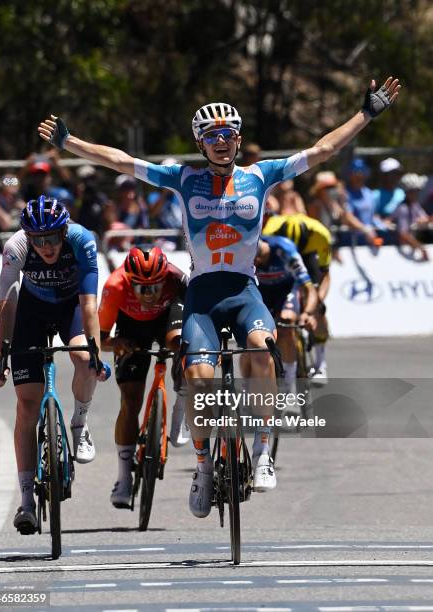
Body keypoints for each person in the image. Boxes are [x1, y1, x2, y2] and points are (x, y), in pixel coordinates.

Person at [38, 74, 401, 518]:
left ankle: (264, 452)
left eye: (228, 134)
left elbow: (323, 150)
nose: (222, 142)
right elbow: (121, 161)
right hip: (203, 295)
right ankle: (206, 467)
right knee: (201, 379)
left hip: (244, 289)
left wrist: (366, 113)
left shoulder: (261, 175)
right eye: (212, 136)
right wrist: (69, 141)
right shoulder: (182, 178)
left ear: (239, 139)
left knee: (263, 352)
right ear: (200, 142)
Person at [0, 196, 110, 535]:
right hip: (31, 310)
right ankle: (27, 500)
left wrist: (96, 353)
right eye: (37, 240)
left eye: (52, 238)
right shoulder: (16, 247)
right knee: (27, 405)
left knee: (84, 360)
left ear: (64, 230)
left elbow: (89, 306)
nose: (45, 247)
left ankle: (79, 422)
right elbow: (8, 308)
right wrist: (1, 359)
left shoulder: (82, 239)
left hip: (70, 306)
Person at [98, 246, 189, 508]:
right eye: (141, 289)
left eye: (154, 288)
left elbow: (200, 311)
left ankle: (179, 405)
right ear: (129, 282)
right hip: (131, 327)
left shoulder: (176, 278)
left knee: (181, 342)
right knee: (130, 401)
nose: (148, 295)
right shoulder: (115, 285)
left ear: (164, 279)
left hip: (167, 318)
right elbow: (100, 339)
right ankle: (124, 476)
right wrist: (117, 344)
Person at [263, 213, 332, 385]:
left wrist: (317, 303)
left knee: (319, 309)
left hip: (309, 257)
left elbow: (325, 275)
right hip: (284, 259)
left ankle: (320, 363)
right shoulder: (271, 230)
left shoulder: (321, 234)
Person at [247, 236, 318, 402]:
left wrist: (307, 313)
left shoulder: (285, 251)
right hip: (261, 293)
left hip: (286, 292)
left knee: (286, 323)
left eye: (256, 262)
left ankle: (289, 389)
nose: (256, 265)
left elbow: (308, 288)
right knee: (251, 336)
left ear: (258, 256)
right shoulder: (245, 253)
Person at [308, 170, 377, 253]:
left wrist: (342, 202)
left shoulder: (336, 205)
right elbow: (315, 230)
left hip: (334, 247)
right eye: (327, 187)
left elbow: (347, 218)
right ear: (320, 191)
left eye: (333, 187)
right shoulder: (315, 206)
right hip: (320, 249)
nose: (331, 190)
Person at [393, 173, 430, 261]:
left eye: (417, 191)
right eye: (414, 191)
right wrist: (421, 248)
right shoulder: (403, 208)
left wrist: (426, 220)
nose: (417, 193)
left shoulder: (414, 205)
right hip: (400, 248)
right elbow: (403, 234)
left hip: (410, 243)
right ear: (408, 192)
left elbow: (425, 218)